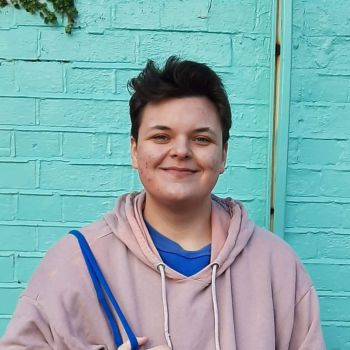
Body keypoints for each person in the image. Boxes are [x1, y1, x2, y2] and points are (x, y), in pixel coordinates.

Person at [0, 57, 325, 350]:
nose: (181, 151)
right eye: (161, 137)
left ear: (223, 155)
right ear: (134, 150)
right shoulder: (77, 261)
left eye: (201, 139)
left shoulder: (277, 267)